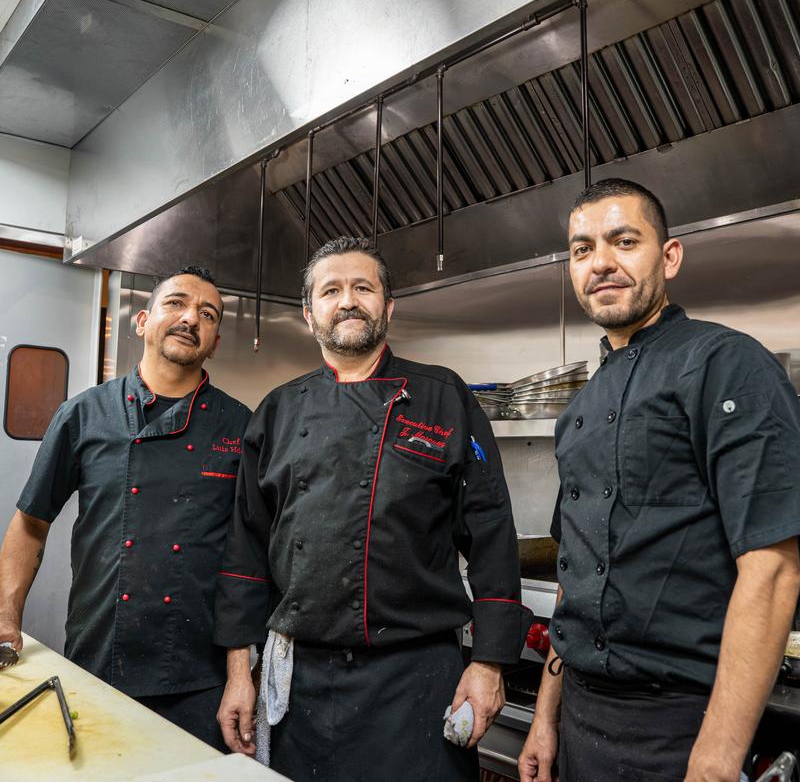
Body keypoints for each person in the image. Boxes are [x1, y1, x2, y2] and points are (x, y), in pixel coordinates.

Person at [214, 236, 533, 781]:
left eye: (363, 288)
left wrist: (489, 663)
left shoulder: (443, 396)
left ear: (388, 306)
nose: (347, 301)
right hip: (304, 682)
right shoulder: (277, 411)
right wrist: (239, 672)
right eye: (330, 291)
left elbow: (491, 534)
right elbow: (246, 551)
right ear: (309, 313)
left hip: (418, 680)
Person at [518, 178, 800, 782]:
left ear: (669, 257)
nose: (601, 262)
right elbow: (574, 574)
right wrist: (545, 716)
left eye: (624, 241)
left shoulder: (726, 364)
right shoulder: (580, 407)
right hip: (581, 718)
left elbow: (773, 565)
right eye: (583, 249)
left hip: (683, 722)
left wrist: (717, 755)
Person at [0, 266, 251, 750]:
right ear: (142, 321)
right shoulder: (84, 413)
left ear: (215, 342)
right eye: (175, 303)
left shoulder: (240, 425)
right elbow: (31, 522)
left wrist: (241, 671)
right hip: (98, 653)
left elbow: (247, 559)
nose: (190, 319)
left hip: (199, 674)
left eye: (207, 314)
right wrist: (6, 617)